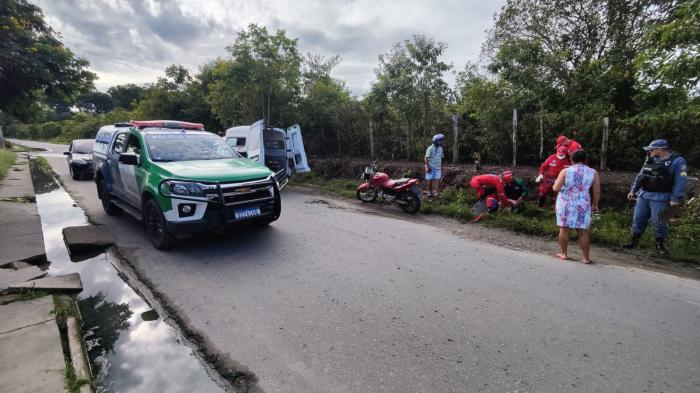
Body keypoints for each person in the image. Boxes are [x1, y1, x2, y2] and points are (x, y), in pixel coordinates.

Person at [623, 139, 688, 257]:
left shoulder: (678, 161)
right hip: (644, 195)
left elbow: (681, 182)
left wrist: (675, 199)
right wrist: (633, 190)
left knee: (660, 222)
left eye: (652, 149)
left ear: (661, 149)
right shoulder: (650, 158)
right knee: (638, 218)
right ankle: (633, 241)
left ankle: (660, 245)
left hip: (663, 197)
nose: (650, 151)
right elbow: (641, 175)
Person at [552, 150, 601, 263]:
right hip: (583, 204)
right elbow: (597, 191)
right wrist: (595, 204)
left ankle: (564, 254)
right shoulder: (593, 173)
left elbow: (556, 188)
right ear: (585, 160)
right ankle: (585, 258)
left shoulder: (565, 171)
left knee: (564, 229)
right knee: (583, 231)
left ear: (571, 159)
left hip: (566, 203)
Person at [424, 133, 445, 198]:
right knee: (430, 181)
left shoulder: (441, 148)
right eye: (440, 141)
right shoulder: (430, 148)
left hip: (438, 168)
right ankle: (430, 192)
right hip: (431, 167)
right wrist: (428, 166)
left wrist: (441, 166)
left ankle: (437, 192)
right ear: (436, 141)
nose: (441, 142)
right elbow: (426, 158)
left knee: (438, 180)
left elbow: (441, 157)